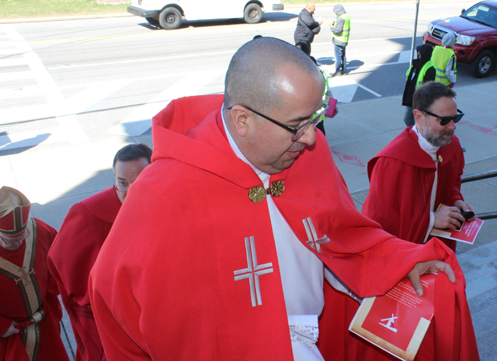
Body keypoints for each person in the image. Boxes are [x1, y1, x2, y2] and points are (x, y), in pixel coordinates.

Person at [89, 38, 478, 361]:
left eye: (315, 119)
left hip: (315, 340)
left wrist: (395, 262)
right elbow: (113, 299)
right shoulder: (160, 196)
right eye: (296, 126)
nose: (311, 138)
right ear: (242, 119)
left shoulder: (306, 150)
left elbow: (344, 233)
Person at [47, 143, 152, 361]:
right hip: (114, 323)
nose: (130, 191)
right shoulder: (89, 214)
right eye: (122, 183)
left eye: (139, 181)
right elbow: (64, 269)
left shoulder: (169, 202)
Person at [363, 81, 473, 253]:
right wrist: (432, 220)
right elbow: (381, 221)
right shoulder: (391, 162)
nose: (453, 127)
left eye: (455, 117)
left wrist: (456, 201)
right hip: (405, 255)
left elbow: (453, 184)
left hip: (440, 247)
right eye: (444, 120)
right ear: (419, 117)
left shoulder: (452, 146)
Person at [0, 186, 69, 361]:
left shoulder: (38, 231)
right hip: (9, 335)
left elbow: (60, 265)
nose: (18, 243)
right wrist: (1, 326)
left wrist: (47, 297)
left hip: (44, 325)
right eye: (10, 240)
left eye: (22, 237)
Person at [402, 44, 436, 127]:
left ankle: (416, 133)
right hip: (412, 97)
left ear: (425, 53)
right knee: (408, 119)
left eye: (420, 52)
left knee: (411, 119)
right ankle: (415, 132)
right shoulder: (416, 64)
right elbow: (409, 77)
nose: (418, 54)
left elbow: (428, 87)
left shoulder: (430, 68)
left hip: (420, 99)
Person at [330, 4, 350, 76]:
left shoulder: (341, 18)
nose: (335, 13)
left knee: (338, 57)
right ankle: (344, 70)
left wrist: (331, 27)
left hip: (339, 40)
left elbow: (337, 30)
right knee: (343, 56)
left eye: (336, 12)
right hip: (344, 40)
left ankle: (338, 71)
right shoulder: (346, 16)